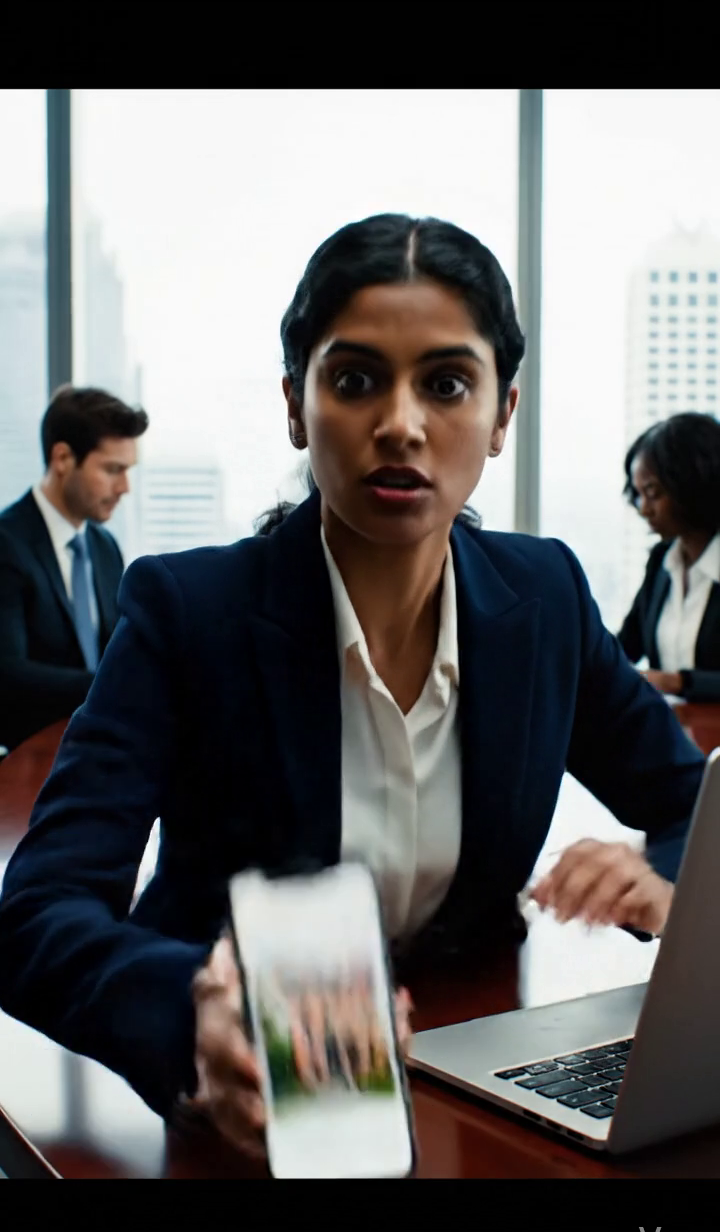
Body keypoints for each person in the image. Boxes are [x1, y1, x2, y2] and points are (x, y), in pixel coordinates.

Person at [0, 214, 707, 1165]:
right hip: (256, 1111)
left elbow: (691, 810)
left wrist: (664, 879)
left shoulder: (541, 598)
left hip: (468, 1074)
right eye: (356, 379)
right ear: (298, 404)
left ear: (503, 417)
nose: (402, 423)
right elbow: (39, 914)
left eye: (448, 383)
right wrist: (189, 1014)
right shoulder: (189, 611)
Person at [0, 385, 148, 750]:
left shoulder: (104, 547)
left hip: (99, 751)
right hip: (29, 759)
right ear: (63, 458)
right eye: (113, 470)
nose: (125, 487)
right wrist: (111, 682)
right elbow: (7, 674)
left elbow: (119, 646)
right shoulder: (6, 543)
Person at [618, 413, 720, 703]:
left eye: (652, 493)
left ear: (692, 485)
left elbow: (668, 681)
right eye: (637, 495)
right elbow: (625, 647)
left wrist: (676, 682)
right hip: (674, 737)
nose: (643, 508)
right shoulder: (662, 561)